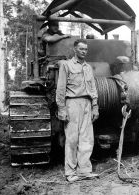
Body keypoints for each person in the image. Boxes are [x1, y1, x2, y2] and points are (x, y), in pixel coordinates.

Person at [56, 39, 99, 182]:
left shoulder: (88, 67)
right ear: (75, 49)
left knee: (87, 139)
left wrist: (95, 106)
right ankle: (70, 173)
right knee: (72, 139)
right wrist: (62, 109)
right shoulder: (66, 66)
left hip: (87, 104)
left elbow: (93, 88)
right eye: (81, 49)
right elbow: (61, 89)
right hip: (72, 104)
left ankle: (84, 171)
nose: (84, 51)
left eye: (85, 49)